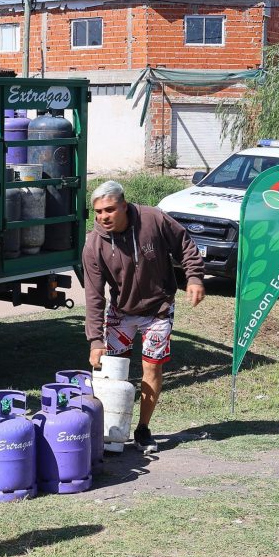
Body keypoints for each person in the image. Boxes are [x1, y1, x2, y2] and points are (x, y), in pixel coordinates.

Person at [84, 180, 205, 454]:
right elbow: (94, 295)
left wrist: (195, 277)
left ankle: (142, 430)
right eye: (98, 212)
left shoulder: (153, 219)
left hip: (158, 310)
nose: (104, 217)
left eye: (110, 210)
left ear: (124, 206)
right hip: (121, 313)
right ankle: (111, 432)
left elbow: (185, 244)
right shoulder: (93, 245)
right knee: (113, 374)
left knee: (151, 368)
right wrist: (94, 339)